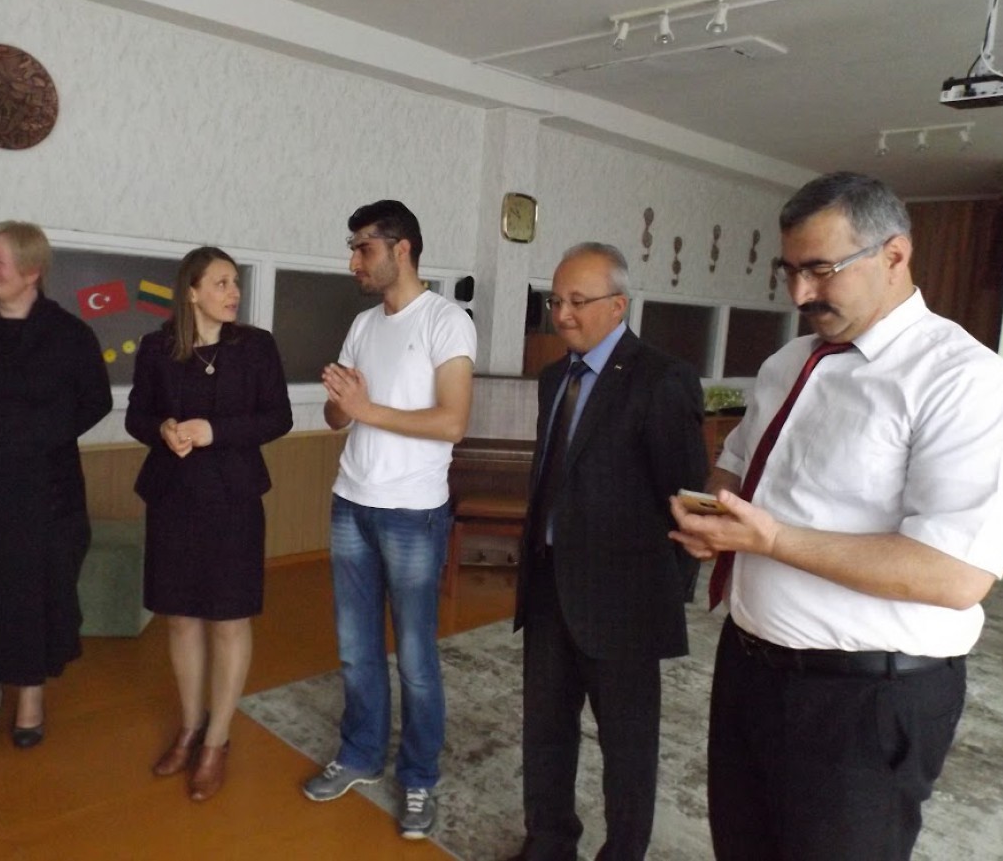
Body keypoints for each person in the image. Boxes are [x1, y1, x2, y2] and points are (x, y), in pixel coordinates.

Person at [669, 171, 1003, 861]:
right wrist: (714, 510)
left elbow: (955, 575)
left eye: (821, 269)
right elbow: (737, 462)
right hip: (749, 667)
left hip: (865, 700)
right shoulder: (788, 363)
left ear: (895, 254)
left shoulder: (968, 384)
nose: (799, 294)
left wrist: (772, 538)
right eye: (789, 270)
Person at [508, 242, 708, 861]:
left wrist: (662, 597)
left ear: (618, 306)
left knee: (627, 744)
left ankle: (623, 851)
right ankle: (548, 843)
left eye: (577, 301)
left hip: (624, 602)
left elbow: (686, 502)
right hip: (549, 586)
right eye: (555, 301)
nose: (562, 314)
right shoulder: (554, 378)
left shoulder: (661, 379)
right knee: (546, 728)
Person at [301, 199, 477, 839]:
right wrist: (341, 403)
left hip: (413, 514)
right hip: (352, 501)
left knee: (416, 658)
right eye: (352, 247)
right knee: (355, 649)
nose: (353, 260)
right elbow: (337, 419)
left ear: (401, 249)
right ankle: (360, 754)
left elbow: (452, 422)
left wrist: (365, 408)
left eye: (363, 247)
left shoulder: (447, 321)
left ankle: (420, 776)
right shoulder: (362, 323)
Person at [0, 220, 112, 751]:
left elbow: (95, 401)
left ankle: (31, 693)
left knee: (40, 586)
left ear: (32, 271)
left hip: (45, 487)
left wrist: (38, 437)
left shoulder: (71, 335)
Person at [126, 246, 292, 802]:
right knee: (180, 618)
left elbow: (278, 417)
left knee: (228, 619)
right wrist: (163, 429)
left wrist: (214, 432)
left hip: (233, 499)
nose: (233, 292)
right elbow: (137, 416)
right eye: (221, 283)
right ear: (191, 292)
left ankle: (217, 740)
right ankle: (190, 727)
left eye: (235, 283)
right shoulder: (157, 347)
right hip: (173, 497)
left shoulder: (256, 347)